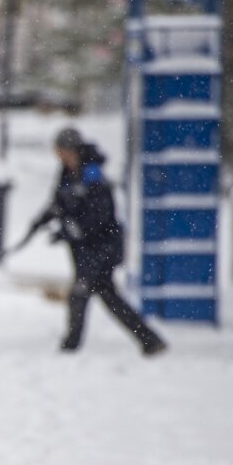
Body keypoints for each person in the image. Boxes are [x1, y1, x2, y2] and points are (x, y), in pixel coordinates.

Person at [31, 127, 167, 355]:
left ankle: (71, 346)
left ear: (72, 150)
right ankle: (149, 340)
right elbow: (59, 203)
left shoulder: (93, 176)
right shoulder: (67, 173)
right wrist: (40, 222)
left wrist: (71, 230)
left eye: (62, 151)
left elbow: (98, 216)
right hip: (84, 248)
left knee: (81, 292)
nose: (60, 156)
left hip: (102, 246)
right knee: (107, 295)